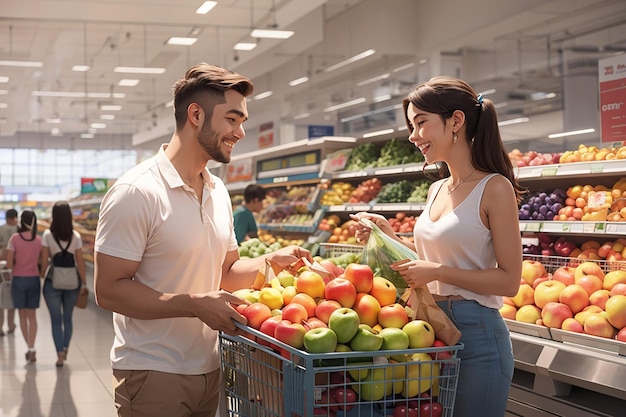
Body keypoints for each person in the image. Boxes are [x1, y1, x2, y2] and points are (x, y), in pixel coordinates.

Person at [93, 62, 311, 417]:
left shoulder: (217, 189)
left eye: (242, 121)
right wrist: (193, 303)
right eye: (232, 119)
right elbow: (109, 290)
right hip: (152, 371)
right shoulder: (137, 192)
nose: (240, 132)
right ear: (196, 115)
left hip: (211, 367)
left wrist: (270, 261)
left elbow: (226, 271)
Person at [352, 76, 524, 417]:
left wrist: (438, 272)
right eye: (411, 126)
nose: (413, 136)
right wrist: (389, 238)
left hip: (477, 335)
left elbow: (509, 281)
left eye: (420, 124)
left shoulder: (495, 188)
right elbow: (429, 263)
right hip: (429, 329)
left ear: (456, 121)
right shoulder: (437, 189)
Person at [40, 201, 88, 367]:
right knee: (68, 318)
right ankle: (66, 348)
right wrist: (84, 283)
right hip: (72, 282)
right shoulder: (76, 236)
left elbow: (45, 262)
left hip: (53, 282)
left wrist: (41, 276)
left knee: (55, 320)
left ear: (54, 216)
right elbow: (80, 262)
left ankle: (59, 354)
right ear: (69, 216)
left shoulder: (47, 235)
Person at [6, 210, 43, 363]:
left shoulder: (14, 239)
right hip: (34, 279)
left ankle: (28, 347)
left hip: (19, 280)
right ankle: (33, 347)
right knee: (32, 316)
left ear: (21, 221)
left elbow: (9, 262)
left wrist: (11, 274)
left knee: (21, 315)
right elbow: (41, 260)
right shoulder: (39, 240)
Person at [0, 208, 18, 336]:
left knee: (0, 296)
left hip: (1, 266)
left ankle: (0, 327)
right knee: (12, 296)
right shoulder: (19, 230)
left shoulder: (1, 229)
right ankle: (11, 324)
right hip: (15, 267)